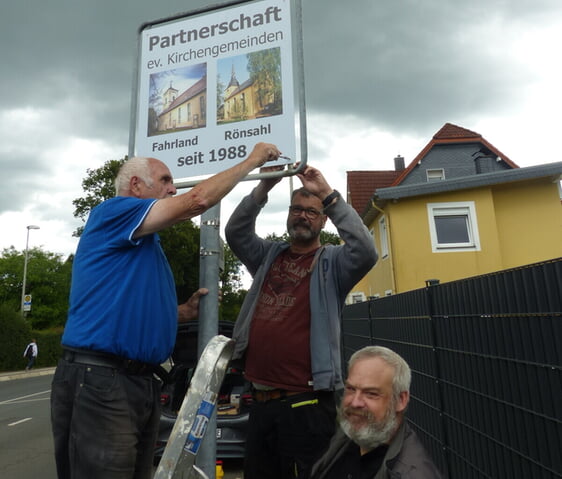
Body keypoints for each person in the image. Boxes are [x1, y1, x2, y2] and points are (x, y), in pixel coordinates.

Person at [50, 142, 280, 479]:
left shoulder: (144, 242)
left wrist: (182, 313)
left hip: (134, 381)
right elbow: (197, 200)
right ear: (135, 186)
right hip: (101, 379)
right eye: (165, 179)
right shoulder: (115, 211)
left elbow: (126, 309)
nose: (173, 188)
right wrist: (253, 160)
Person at [225, 164, 378, 478]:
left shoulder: (333, 263)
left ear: (323, 220)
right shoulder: (269, 256)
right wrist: (263, 187)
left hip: (305, 404)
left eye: (311, 211)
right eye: (297, 209)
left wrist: (327, 194)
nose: (302, 216)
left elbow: (365, 251)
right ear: (288, 214)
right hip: (261, 401)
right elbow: (235, 232)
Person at [310, 346, 444, 479]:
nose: (355, 402)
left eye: (371, 394)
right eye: (350, 388)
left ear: (400, 400)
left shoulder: (412, 473)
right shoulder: (351, 435)